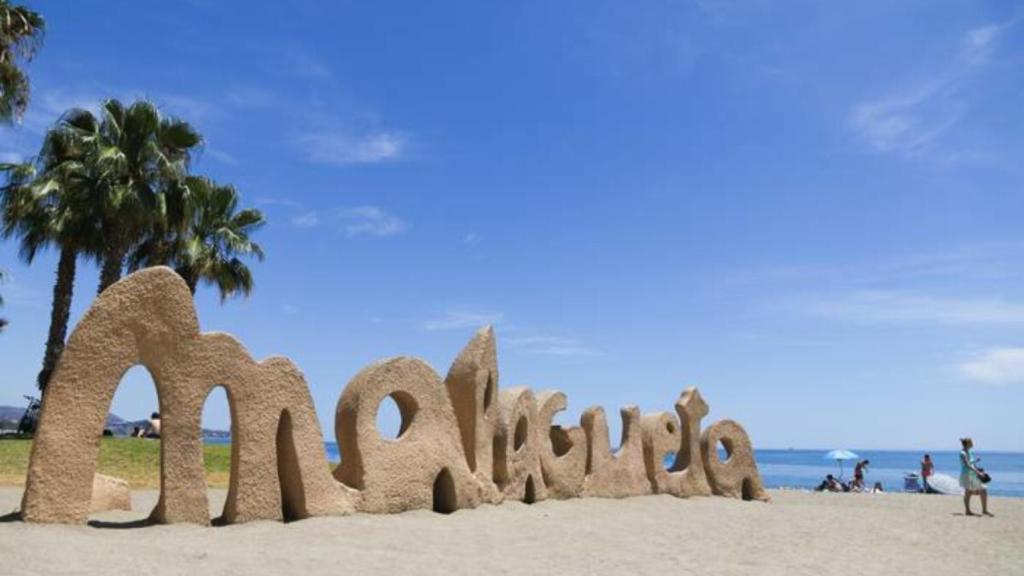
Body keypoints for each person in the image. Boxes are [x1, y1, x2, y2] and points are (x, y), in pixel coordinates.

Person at [959, 437, 992, 517]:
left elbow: (970, 463)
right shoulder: (962, 453)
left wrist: (976, 462)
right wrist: (977, 472)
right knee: (968, 492)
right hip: (967, 474)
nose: (972, 444)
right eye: (971, 442)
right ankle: (967, 511)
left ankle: (984, 510)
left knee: (983, 489)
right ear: (967, 444)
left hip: (973, 473)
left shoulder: (969, 451)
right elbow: (967, 465)